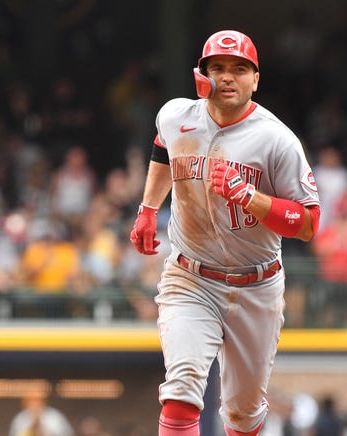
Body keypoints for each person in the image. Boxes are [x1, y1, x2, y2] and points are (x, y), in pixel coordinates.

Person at [129, 30, 321, 436]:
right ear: (202, 76)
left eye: (239, 69)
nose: (228, 77)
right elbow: (164, 147)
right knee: (181, 389)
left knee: (243, 414)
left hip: (257, 284)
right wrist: (148, 208)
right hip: (190, 276)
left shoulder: (277, 140)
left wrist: (252, 198)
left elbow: (307, 224)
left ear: (256, 79)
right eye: (217, 68)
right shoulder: (176, 115)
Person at [8, 389, 74, 436]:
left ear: (44, 401)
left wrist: (42, 429)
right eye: (31, 401)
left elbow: (67, 433)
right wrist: (32, 428)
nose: (35, 404)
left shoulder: (54, 416)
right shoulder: (20, 418)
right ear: (26, 403)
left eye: (38, 400)